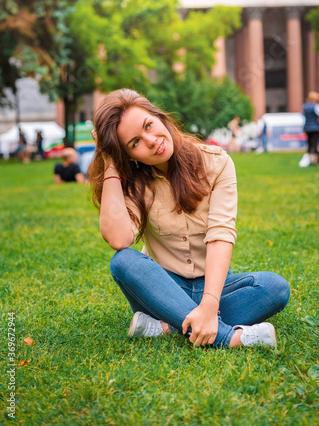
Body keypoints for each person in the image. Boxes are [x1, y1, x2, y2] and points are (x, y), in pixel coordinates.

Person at [88, 89, 290, 350]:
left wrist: (209, 304)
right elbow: (118, 238)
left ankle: (168, 325)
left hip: (216, 284)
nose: (151, 140)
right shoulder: (133, 181)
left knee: (275, 287)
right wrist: (110, 163)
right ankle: (229, 339)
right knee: (124, 262)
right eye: (134, 143)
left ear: (160, 117)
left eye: (149, 125)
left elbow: (221, 234)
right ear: (128, 155)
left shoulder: (216, 163)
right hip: (161, 287)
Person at [302, 91, 319, 166]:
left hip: (307, 127)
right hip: (315, 128)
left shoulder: (304, 106)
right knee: (315, 144)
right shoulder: (316, 106)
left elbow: (303, 115)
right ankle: (314, 161)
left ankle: (309, 160)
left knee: (309, 144)